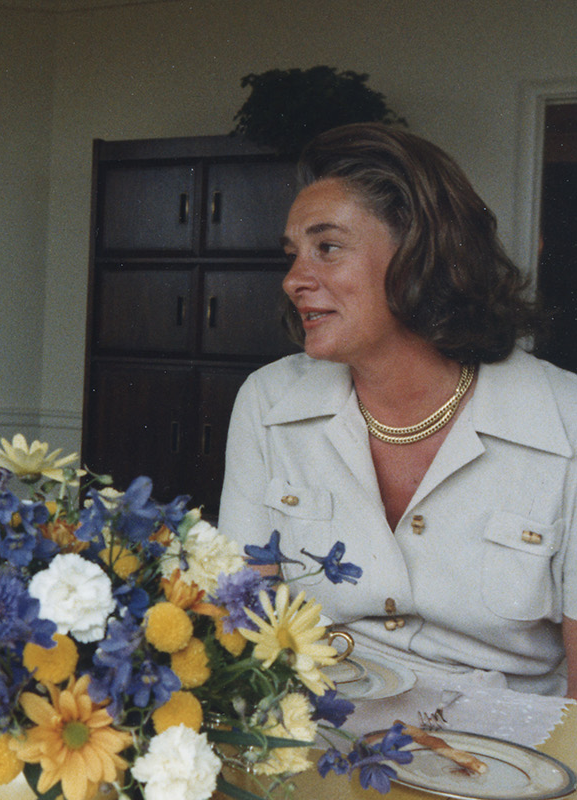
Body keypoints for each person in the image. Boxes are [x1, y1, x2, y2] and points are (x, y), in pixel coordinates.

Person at [217, 122, 577, 697]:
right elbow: (242, 620)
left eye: (327, 248)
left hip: (511, 762)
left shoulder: (566, 421)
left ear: (419, 256)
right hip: (319, 733)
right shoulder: (268, 402)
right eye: (293, 255)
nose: (292, 280)